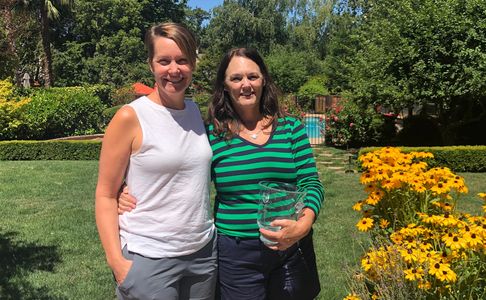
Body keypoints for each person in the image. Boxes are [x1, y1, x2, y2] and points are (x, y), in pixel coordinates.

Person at [119, 47, 324, 300]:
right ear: (225, 86)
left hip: (291, 247)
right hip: (236, 254)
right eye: (236, 78)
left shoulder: (291, 129)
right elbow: (180, 171)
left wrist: (304, 224)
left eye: (253, 76)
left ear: (264, 80)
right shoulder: (212, 136)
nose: (245, 85)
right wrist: (123, 191)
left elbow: (311, 183)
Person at [95, 22, 217, 300]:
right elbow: (104, 195)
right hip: (148, 256)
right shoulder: (130, 117)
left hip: (202, 254)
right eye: (164, 61)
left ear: (193, 64)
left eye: (182, 60)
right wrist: (117, 263)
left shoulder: (198, 113)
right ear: (151, 64)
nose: (174, 70)